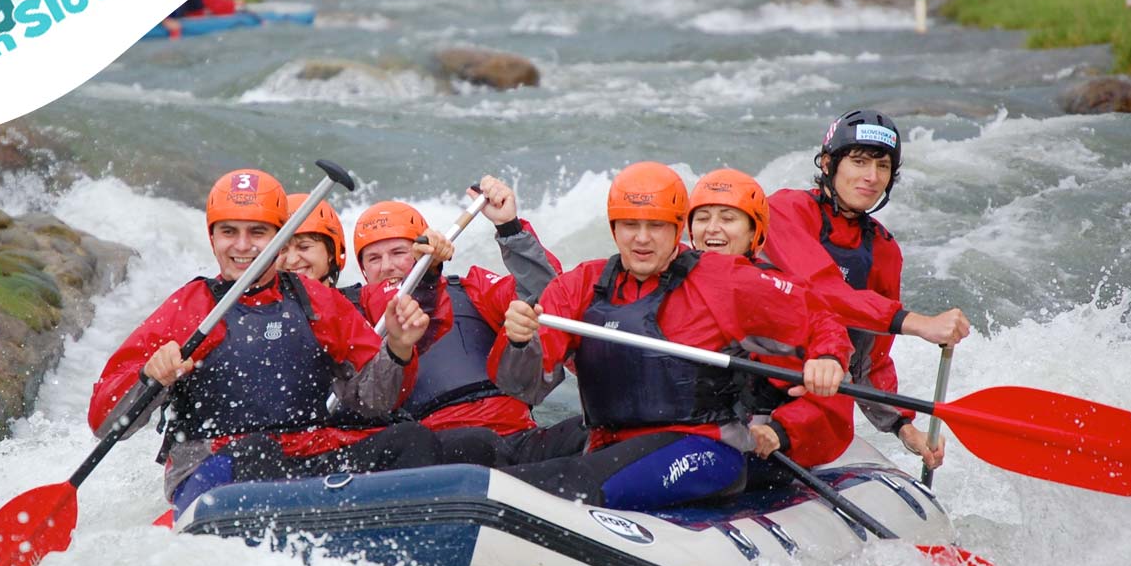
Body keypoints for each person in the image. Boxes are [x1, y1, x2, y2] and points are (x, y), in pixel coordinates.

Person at [493, 162, 852, 510]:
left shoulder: (725, 279)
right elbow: (524, 388)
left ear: (679, 227)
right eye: (630, 225)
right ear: (614, 228)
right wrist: (520, 342)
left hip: (704, 449)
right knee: (483, 449)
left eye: (657, 225)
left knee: (567, 482)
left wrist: (828, 357)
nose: (642, 238)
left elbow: (818, 316)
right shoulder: (579, 285)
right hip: (612, 443)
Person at [87, 169, 437, 514]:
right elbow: (104, 423)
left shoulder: (316, 302)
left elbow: (374, 402)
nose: (242, 246)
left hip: (307, 458)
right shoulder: (187, 308)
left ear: (281, 241)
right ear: (212, 239)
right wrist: (151, 377)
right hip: (212, 468)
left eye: (257, 232)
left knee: (410, 439)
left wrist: (398, 349)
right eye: (228, 232)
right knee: (258, 451)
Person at [762, 109, 970, 470]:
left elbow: (870, 358)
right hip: (755, 371)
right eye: (858, 162)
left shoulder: (884, 252)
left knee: (837, 379)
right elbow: (819, 289)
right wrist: (917, 323)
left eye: (883, 166)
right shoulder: (785, 209)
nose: (871, 177)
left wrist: (904, 426)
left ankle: (784, 439)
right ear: (828, 164)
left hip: (818, 390)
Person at [348, 179, 587, 465]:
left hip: (518, 432)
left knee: (592, 431)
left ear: (425, 248)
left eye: (399, 253)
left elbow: (549, 295)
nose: (387, 266)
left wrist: (510, 227)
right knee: (476, 443)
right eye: (374, 258)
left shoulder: (471, 288)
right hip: (440, 444)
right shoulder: (354, 312)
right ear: (362, 270)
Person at [686, 168, 855, 474]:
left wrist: (781, 431)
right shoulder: (673, 278)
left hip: (753, 445)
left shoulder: (771, 293)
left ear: (755, 233)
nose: (712, 229)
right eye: (702, 218)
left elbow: (830, 352)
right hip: (682, 429)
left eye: (727, 218)